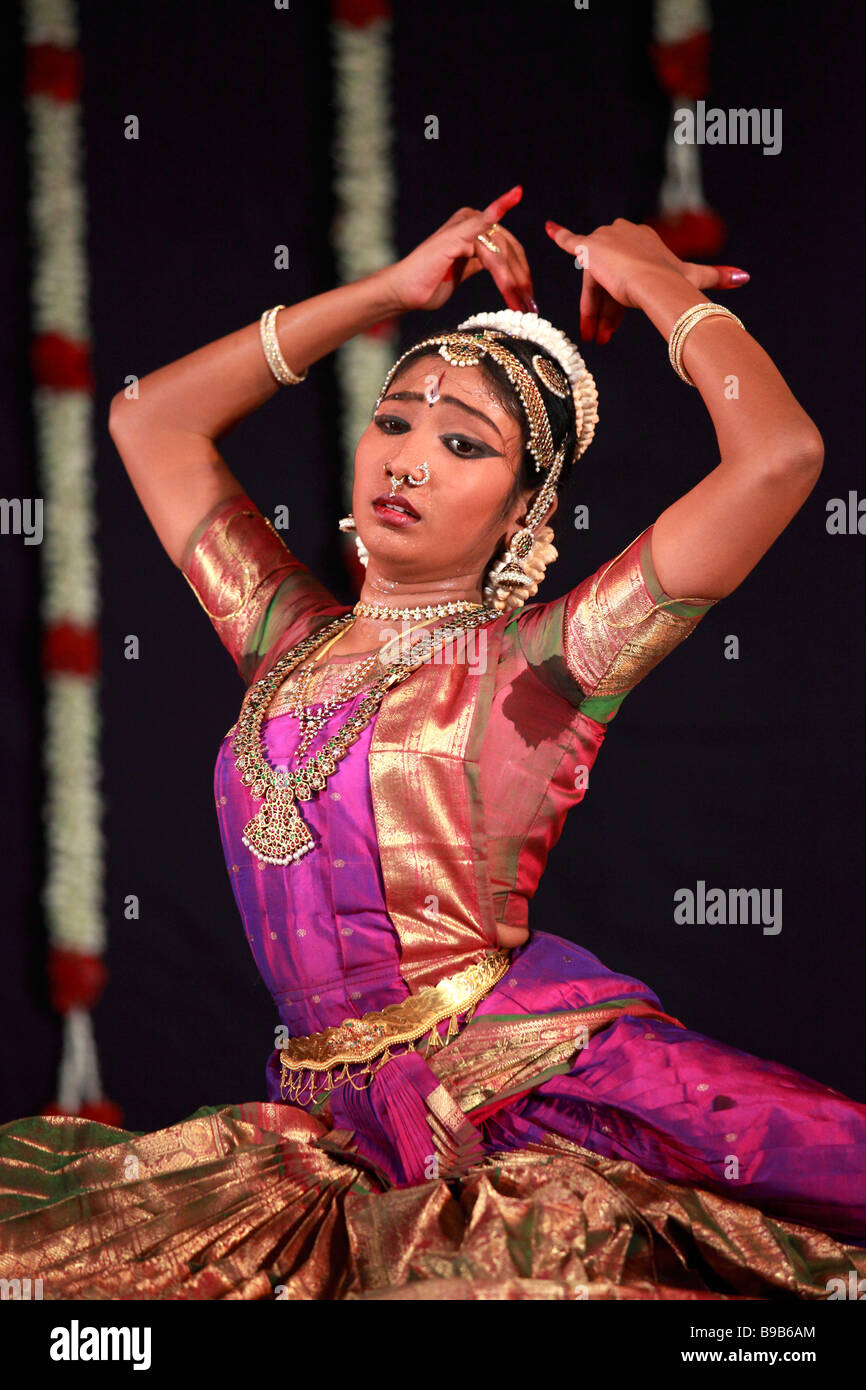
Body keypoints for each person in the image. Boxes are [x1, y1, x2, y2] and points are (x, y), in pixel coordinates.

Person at [1, 188, 863, 1301]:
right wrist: (384, 294)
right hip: (318, 1135)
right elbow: (146, 419)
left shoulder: (542, 663)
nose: (408, 458)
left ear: (520, 513)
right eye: (394, 418)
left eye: (464, 444)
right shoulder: (283, 639)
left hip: (519, 1110)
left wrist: (654, 283)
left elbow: (777, 456)